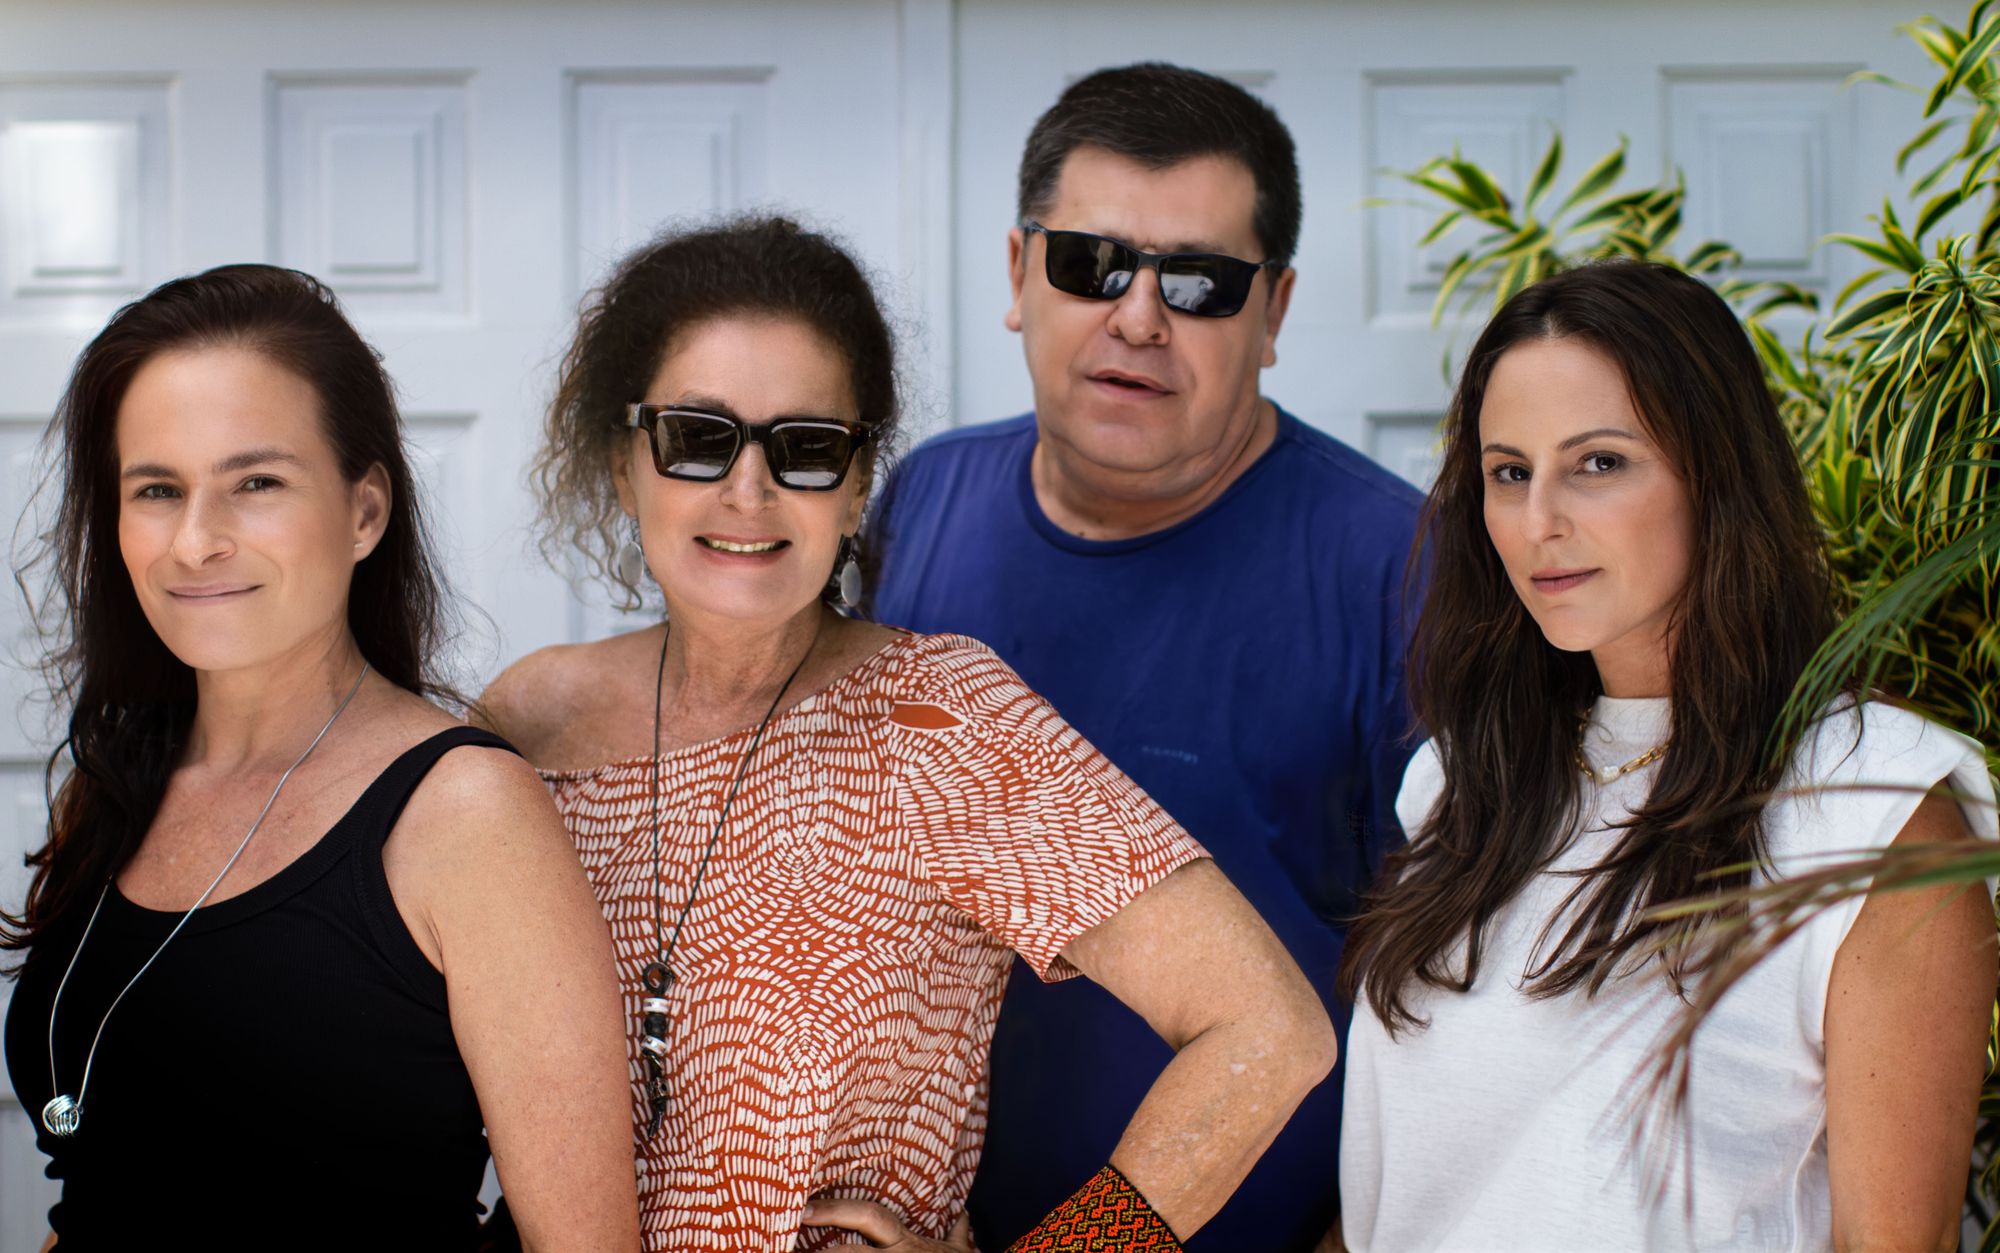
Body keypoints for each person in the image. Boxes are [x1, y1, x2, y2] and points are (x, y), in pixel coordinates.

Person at [476, 214, 1336, 1253]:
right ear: (626, 466)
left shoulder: (938, 718)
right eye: (697, 438)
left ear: (855, 489)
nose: (747, 491)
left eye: (806, 449)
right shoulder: (526, 724)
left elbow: (1269, 1030)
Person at [865, 62, 1423, 1250]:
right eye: (1091, 263)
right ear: (1017, 273)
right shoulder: (917, 504)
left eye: (1200, 282)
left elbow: (1461, 989)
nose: (1137, 317)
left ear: (1272, 312)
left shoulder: (1399, 568)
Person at [1336, 260, 1996, 1251]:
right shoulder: (1461, 779)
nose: (1538, 520)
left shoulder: (1874, 811)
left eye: (1598, 462)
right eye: (1508, 472)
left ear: (1714, 473)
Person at [1, 265, 641, 1252]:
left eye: (255, 483)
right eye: (157, 489)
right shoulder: (114, 783)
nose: (195, 541)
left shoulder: (464, 814)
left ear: (364, 512)